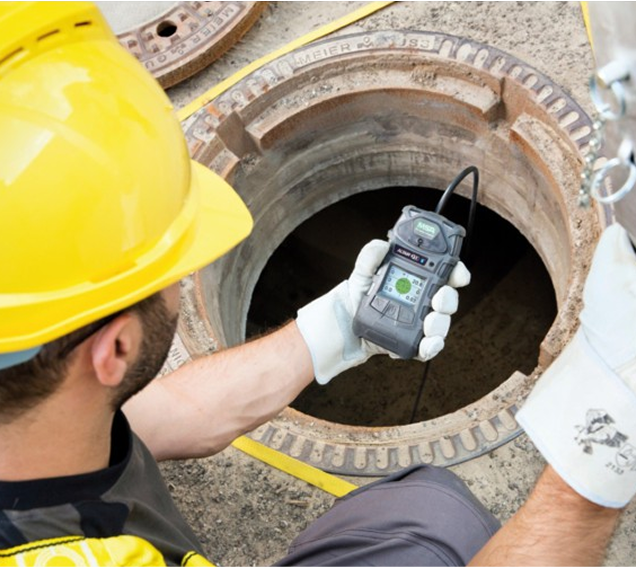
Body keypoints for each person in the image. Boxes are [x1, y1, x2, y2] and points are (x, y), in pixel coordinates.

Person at [0, 2, 632, 567]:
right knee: (434, 536)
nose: (183, 274)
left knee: (426, 514)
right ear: (112, 351)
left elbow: (148, 418)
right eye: (172, 267)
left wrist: (332, 329)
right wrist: (595, 462)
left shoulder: (39, 400)